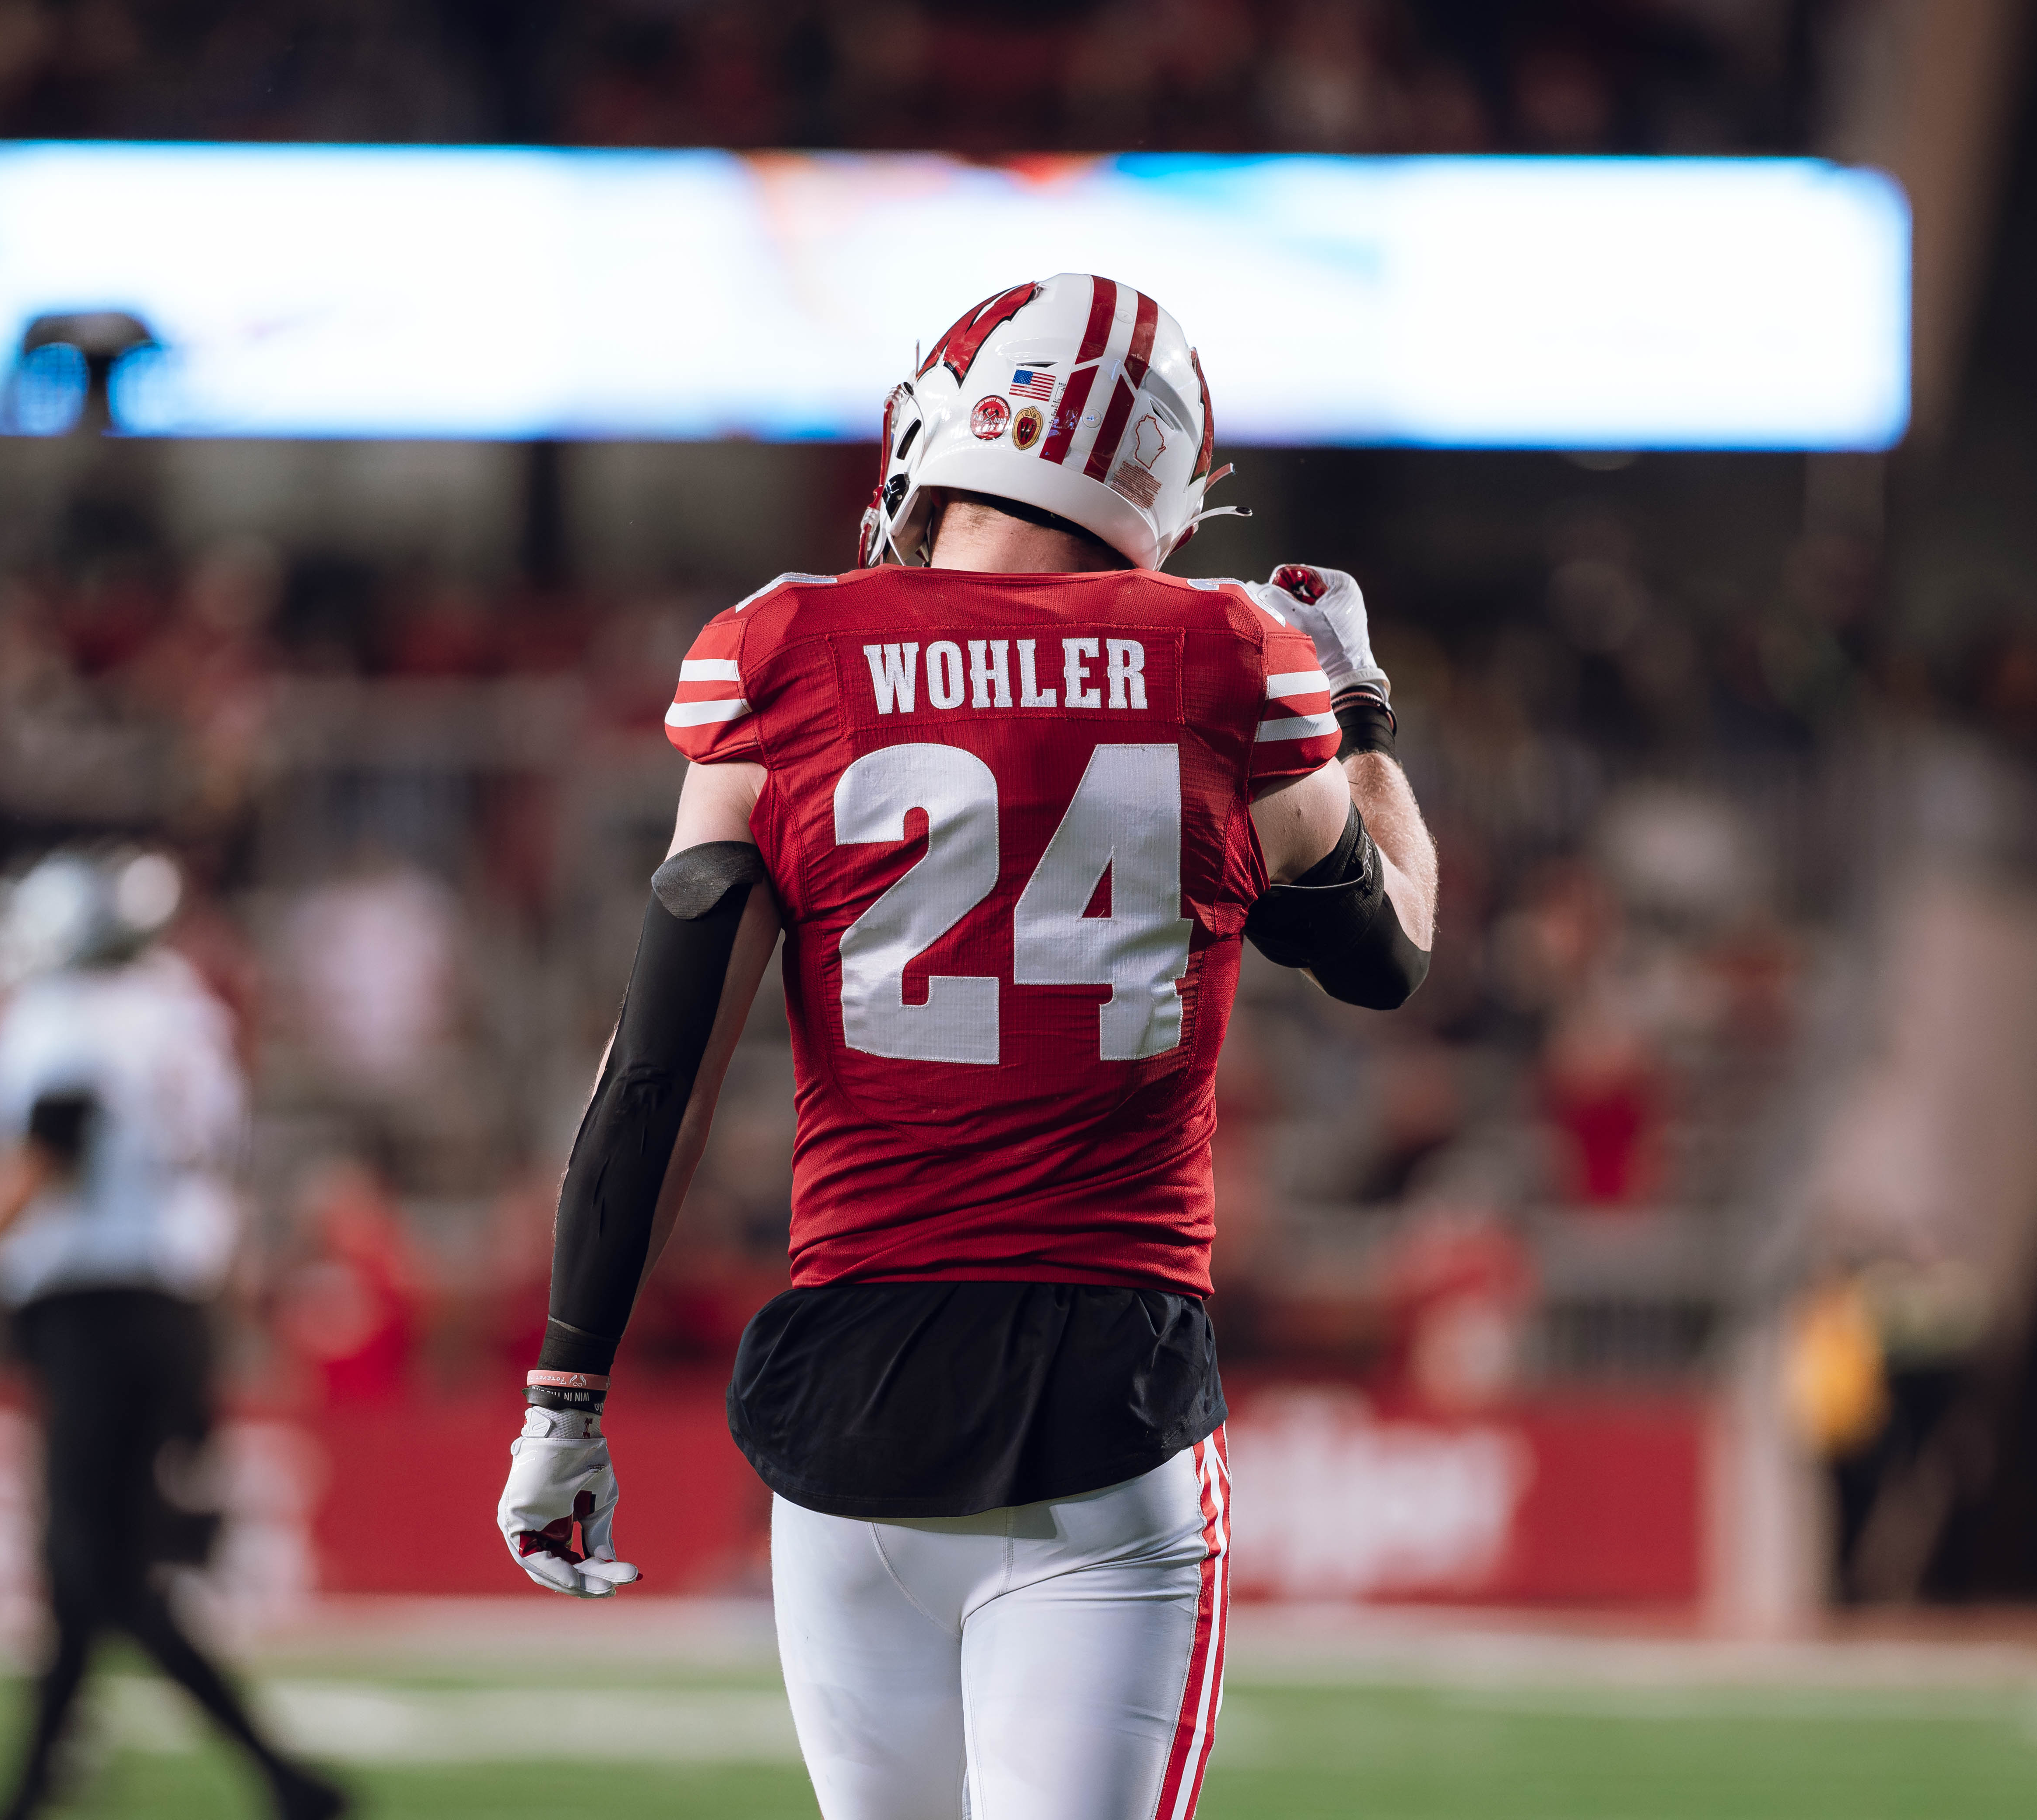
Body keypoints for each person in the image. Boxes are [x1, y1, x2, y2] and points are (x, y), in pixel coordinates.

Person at [494, 272, 1437, 1820]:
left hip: (854, 1420)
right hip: (1104, 1414)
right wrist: (1364, 714)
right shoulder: (1226, 657)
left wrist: (566, 1390)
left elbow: (657, 1069)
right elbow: (1387, 950)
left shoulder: (780, 649)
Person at [0, 847, 345, 1820]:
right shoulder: (182, 1011)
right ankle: (33, 1787)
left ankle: (286, 1774)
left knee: (94, 1566)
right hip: (169, 1307)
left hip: (94, 1311)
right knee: (88, 1566)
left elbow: (41, 1157)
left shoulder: (68, 1018)